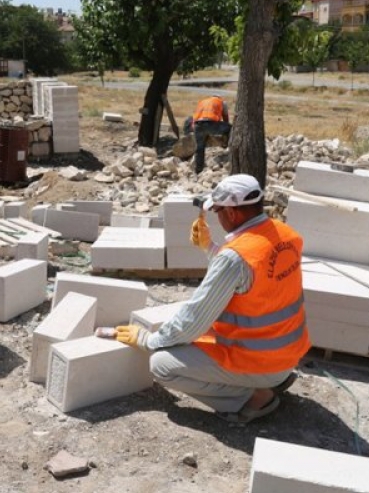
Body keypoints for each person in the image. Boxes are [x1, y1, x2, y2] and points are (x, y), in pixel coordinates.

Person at [114, 174, 309, 424]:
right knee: (194, 343)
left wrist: (150, 340)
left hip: (259, 361)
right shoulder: (286, 235)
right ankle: (273, 380)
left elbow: (194, 320)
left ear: (232, 213)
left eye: (218, 212)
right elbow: (253, 278)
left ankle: (255, 396)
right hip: (288, 354)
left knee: (161, 364)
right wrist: (211, 247)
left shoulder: (235, 258)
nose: (217, 218)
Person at [190, 95, 231, 174]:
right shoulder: (222, 102)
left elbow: (195, 117)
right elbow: (226, 119)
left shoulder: (202, 101)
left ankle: (198, 170)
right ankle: (227, 145)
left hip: (197, 126)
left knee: (200, 148)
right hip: (210, 124)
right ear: (219, 98)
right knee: (230, 128)